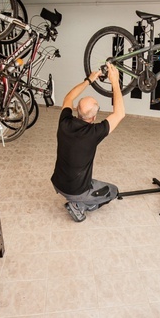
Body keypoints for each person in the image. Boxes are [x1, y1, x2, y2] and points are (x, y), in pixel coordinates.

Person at [51, 63, 125, 222]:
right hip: (75, 190)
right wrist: (115, 82)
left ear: (77, 109)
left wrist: (88, 80)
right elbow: (119, 113)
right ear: (93, 118)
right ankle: (78, 205)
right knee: (113, 191)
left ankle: (78, 199)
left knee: (92, 182)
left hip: (58, 182)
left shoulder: (64, 122)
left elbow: (68, 97)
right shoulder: (93, 133)